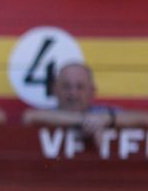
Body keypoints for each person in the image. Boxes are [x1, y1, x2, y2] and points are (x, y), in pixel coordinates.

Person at [20, 60, 148, 147]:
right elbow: (29, 117)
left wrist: (107, 119)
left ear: (92, 91)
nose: (73, 93)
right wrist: (85, 121)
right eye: (66, 86)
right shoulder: (49, 114)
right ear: (55, 90)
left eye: (80, 87)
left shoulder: (102, 113)